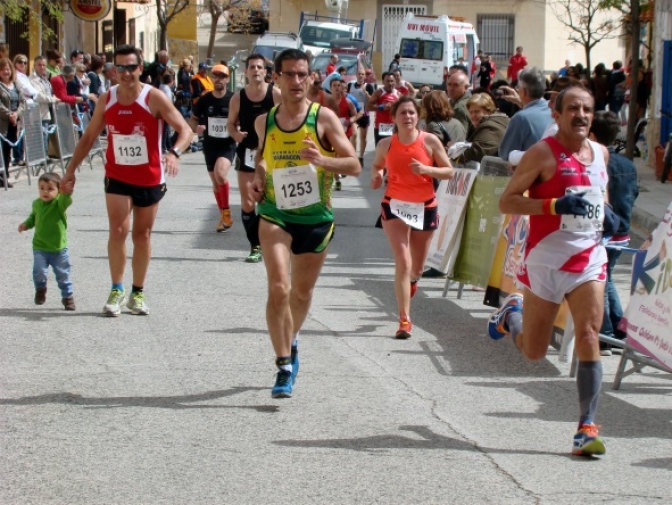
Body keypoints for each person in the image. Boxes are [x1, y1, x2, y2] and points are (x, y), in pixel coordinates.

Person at [489, 86, 614, 456]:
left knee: (589, 333)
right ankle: (511, 315)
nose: (581, 114)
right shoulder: (541, 154)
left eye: (587, 109)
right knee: (534, 351)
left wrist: (608, 214)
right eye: (573, 108)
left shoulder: (602, 154)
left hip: (588, 257)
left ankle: (586, 428)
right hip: (545, 259)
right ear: (556, 115)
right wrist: (556, 204)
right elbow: (507, 200)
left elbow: (599, 199)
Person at [251, 48, 361, 398]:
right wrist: (258, 176)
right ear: (277, 78)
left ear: (312, 77)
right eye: (289, 75)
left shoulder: (324, 118)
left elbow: (354, 164)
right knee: (279, 288)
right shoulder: (264, 121)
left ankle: (292, 340)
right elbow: (261, 159)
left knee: (301, 292)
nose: (296, 81)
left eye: (302, 74)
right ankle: (283, 364)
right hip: (274, 213)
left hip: (315, 218)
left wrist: (322, 161)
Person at [62, 44, 193, 316]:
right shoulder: (107, 99)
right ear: (113, 71)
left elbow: (185, 130)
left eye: (131, 67)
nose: (125, 73)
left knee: (141, 235)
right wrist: (70, 170)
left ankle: (138, 292)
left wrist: (174, 153)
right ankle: (117, 289)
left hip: (149, 177)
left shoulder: (153, 97)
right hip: (118, 174)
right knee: (118, 231)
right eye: (119, 67)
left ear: (140, 68)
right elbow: (87, 138)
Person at [370, 96, 454, 338]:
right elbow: (376, 166)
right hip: (394, 206)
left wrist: (428, 170)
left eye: (411, 113)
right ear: (394, 118)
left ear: (418, 117)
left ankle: (413, 281)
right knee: (403, 262)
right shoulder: (386, 144)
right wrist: (376, 176)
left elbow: (448, 171)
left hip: (425, 206)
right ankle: (404, 320)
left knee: (416, 267)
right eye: (402, 113)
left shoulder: (429, 141)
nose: (407, 117)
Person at [589, 111, 639, 352]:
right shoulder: (628, 164)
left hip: (606, 231)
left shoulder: (597, 161)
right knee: (607, 277)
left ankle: (607, 332)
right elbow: (634, 193)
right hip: (623, 230)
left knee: (602, 279)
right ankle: (620, 328)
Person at [228, 54, 282, 262]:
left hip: (271, 154)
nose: (256, 70)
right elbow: (230, 124)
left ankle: (273, 241)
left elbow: (287, 118)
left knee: (270, 200)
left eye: (260, 67)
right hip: (247, 152)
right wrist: (236, 135)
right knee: (248, 201)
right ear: (246, 72)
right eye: (252, 67)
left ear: (265, 71)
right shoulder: (238, 98)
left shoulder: (275, 94)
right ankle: (255, 246)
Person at [189, 64, 237, 233]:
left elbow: (242, 119)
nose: (219, 79)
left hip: (227, 144)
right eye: (215, 76)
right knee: (216, 183)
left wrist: (239, 130)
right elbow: (193, 119)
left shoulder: (233, 99)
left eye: (222, 76)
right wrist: (197, 128)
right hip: (210, 145)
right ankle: (223, 216)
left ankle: (227, 213)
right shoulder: (205, 99)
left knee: (221, 174)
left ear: (227, 79)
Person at [18, 172, 75, 310]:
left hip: (58, 249)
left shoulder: (58, 203)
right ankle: (40, 289)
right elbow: (33, 217)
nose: (45, 192)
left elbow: (66, 200)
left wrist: (66, 192)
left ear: (58, 191)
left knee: (63, 275)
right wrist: (26, 224)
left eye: (50, 189)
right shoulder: (36, 204)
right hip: (40, 247)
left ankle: (67, 297)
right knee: (39, 271)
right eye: (42, 188)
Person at [498, 67, 553, 162]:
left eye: (517, 88)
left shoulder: (520, 118)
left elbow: (505, 155)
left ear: (523, 91)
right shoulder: (554, 110)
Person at [326, 76, 358, 191]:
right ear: (330, 88)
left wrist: (351, 120)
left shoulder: (348, 101)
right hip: (329, 133)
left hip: (344, 133)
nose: (337, 88)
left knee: (340, 156)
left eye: (338, 85)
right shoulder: (326, 102)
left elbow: (355, 114)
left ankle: (340, 172)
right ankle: (337, 180)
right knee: (333, 156)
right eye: (334, 86)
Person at [0, 58, 26, 188]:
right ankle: (1, 176)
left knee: (8, 150)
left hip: (14, 123)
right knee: (1, 150)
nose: (6, 72)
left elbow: (22, 101)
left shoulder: (16, 84)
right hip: (2, 123)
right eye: (3, 69)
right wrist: (9, 114)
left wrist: (16, 114)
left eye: (8, 69)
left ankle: (4, 175)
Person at [462, 93, 509, 163]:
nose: (473, 116)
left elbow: (478, 153)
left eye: (477, 111)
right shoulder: (494, 122)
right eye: (471, 112)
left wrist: (459, 151)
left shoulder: (490, 127)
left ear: (488, 111)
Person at [30, 55, 60, 153]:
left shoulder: (45, 79)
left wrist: (54, 98)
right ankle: (42, 157)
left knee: (46, 135)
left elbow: (50, 92)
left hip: (49, 111)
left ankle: (46, 155)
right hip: (39, 112)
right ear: (34, 66)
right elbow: (38, 96)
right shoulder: (32, 79)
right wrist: (52, 99)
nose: (42, 67)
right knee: (41, 135)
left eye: (44, 65)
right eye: (39, 65)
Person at [347, 68, 376, 164]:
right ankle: (353, 156)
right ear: (356, 75)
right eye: (359, 74)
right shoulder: (350, 85)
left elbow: (373, 100)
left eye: (363, 74)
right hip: (353, 113)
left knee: (363, 137)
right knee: (354, 134)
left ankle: (361, 157)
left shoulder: (368, 87)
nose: (360, 76)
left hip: (364, 113)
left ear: (365, 76)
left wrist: (366, 93)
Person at [367, 72, 401, 146]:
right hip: (381, 126)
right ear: (383, 82)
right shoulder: (378, 92)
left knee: (393, 149)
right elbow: (368, 107)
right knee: (381, 149)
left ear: (395, 81)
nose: (390, 83)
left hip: (394, 126)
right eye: (388, 81)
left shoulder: (398, 94)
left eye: (392, 81)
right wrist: (381, 107)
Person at [446, 70, 472, 136]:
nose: (451, 88)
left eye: (456, 85)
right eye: (449, 84)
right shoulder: (454, 101)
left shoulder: (459, 108)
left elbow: (459, 137)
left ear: (465, 88)